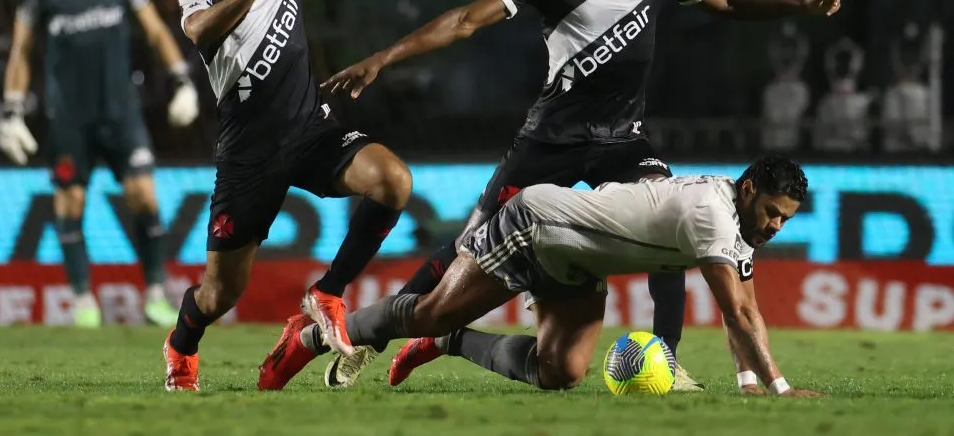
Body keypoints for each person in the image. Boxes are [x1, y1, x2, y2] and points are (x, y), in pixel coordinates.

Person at [318, 0, 844, 390]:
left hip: (622, 142)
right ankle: (384, 338)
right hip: (549, 140)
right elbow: (463, 21)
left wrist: (798, 4)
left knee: (669, 230)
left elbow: (726, 1)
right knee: (466, 246)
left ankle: (665, 358)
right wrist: (384, 58)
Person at [162, 0, 477, 391]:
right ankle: (181, 345)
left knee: (393, 180)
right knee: (220, 294)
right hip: (250, 155)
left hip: (310, 129)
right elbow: (198, 30)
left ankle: (327, 292)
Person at [260, 155, 821, 398]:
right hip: (539, 223)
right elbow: (739, 312)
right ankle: (307, 336)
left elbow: (744, 304)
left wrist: (751, 386)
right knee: (431, 309)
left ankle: (453, 343)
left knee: (562, 372)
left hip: (580, 260)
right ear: (749, 190)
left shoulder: (736, 219)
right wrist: (782, 387)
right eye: (772, 212)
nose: (774, 226)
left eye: (783, 219)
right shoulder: (713, 213)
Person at [0, 0, 201, 328]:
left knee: (143, 197)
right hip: (69, 118)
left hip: (121, 113)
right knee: (69, 204)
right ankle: (82, 302)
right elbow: (22, 49)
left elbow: (154, 30)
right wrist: (11, 110)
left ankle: (153, 294)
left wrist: (182, 78)